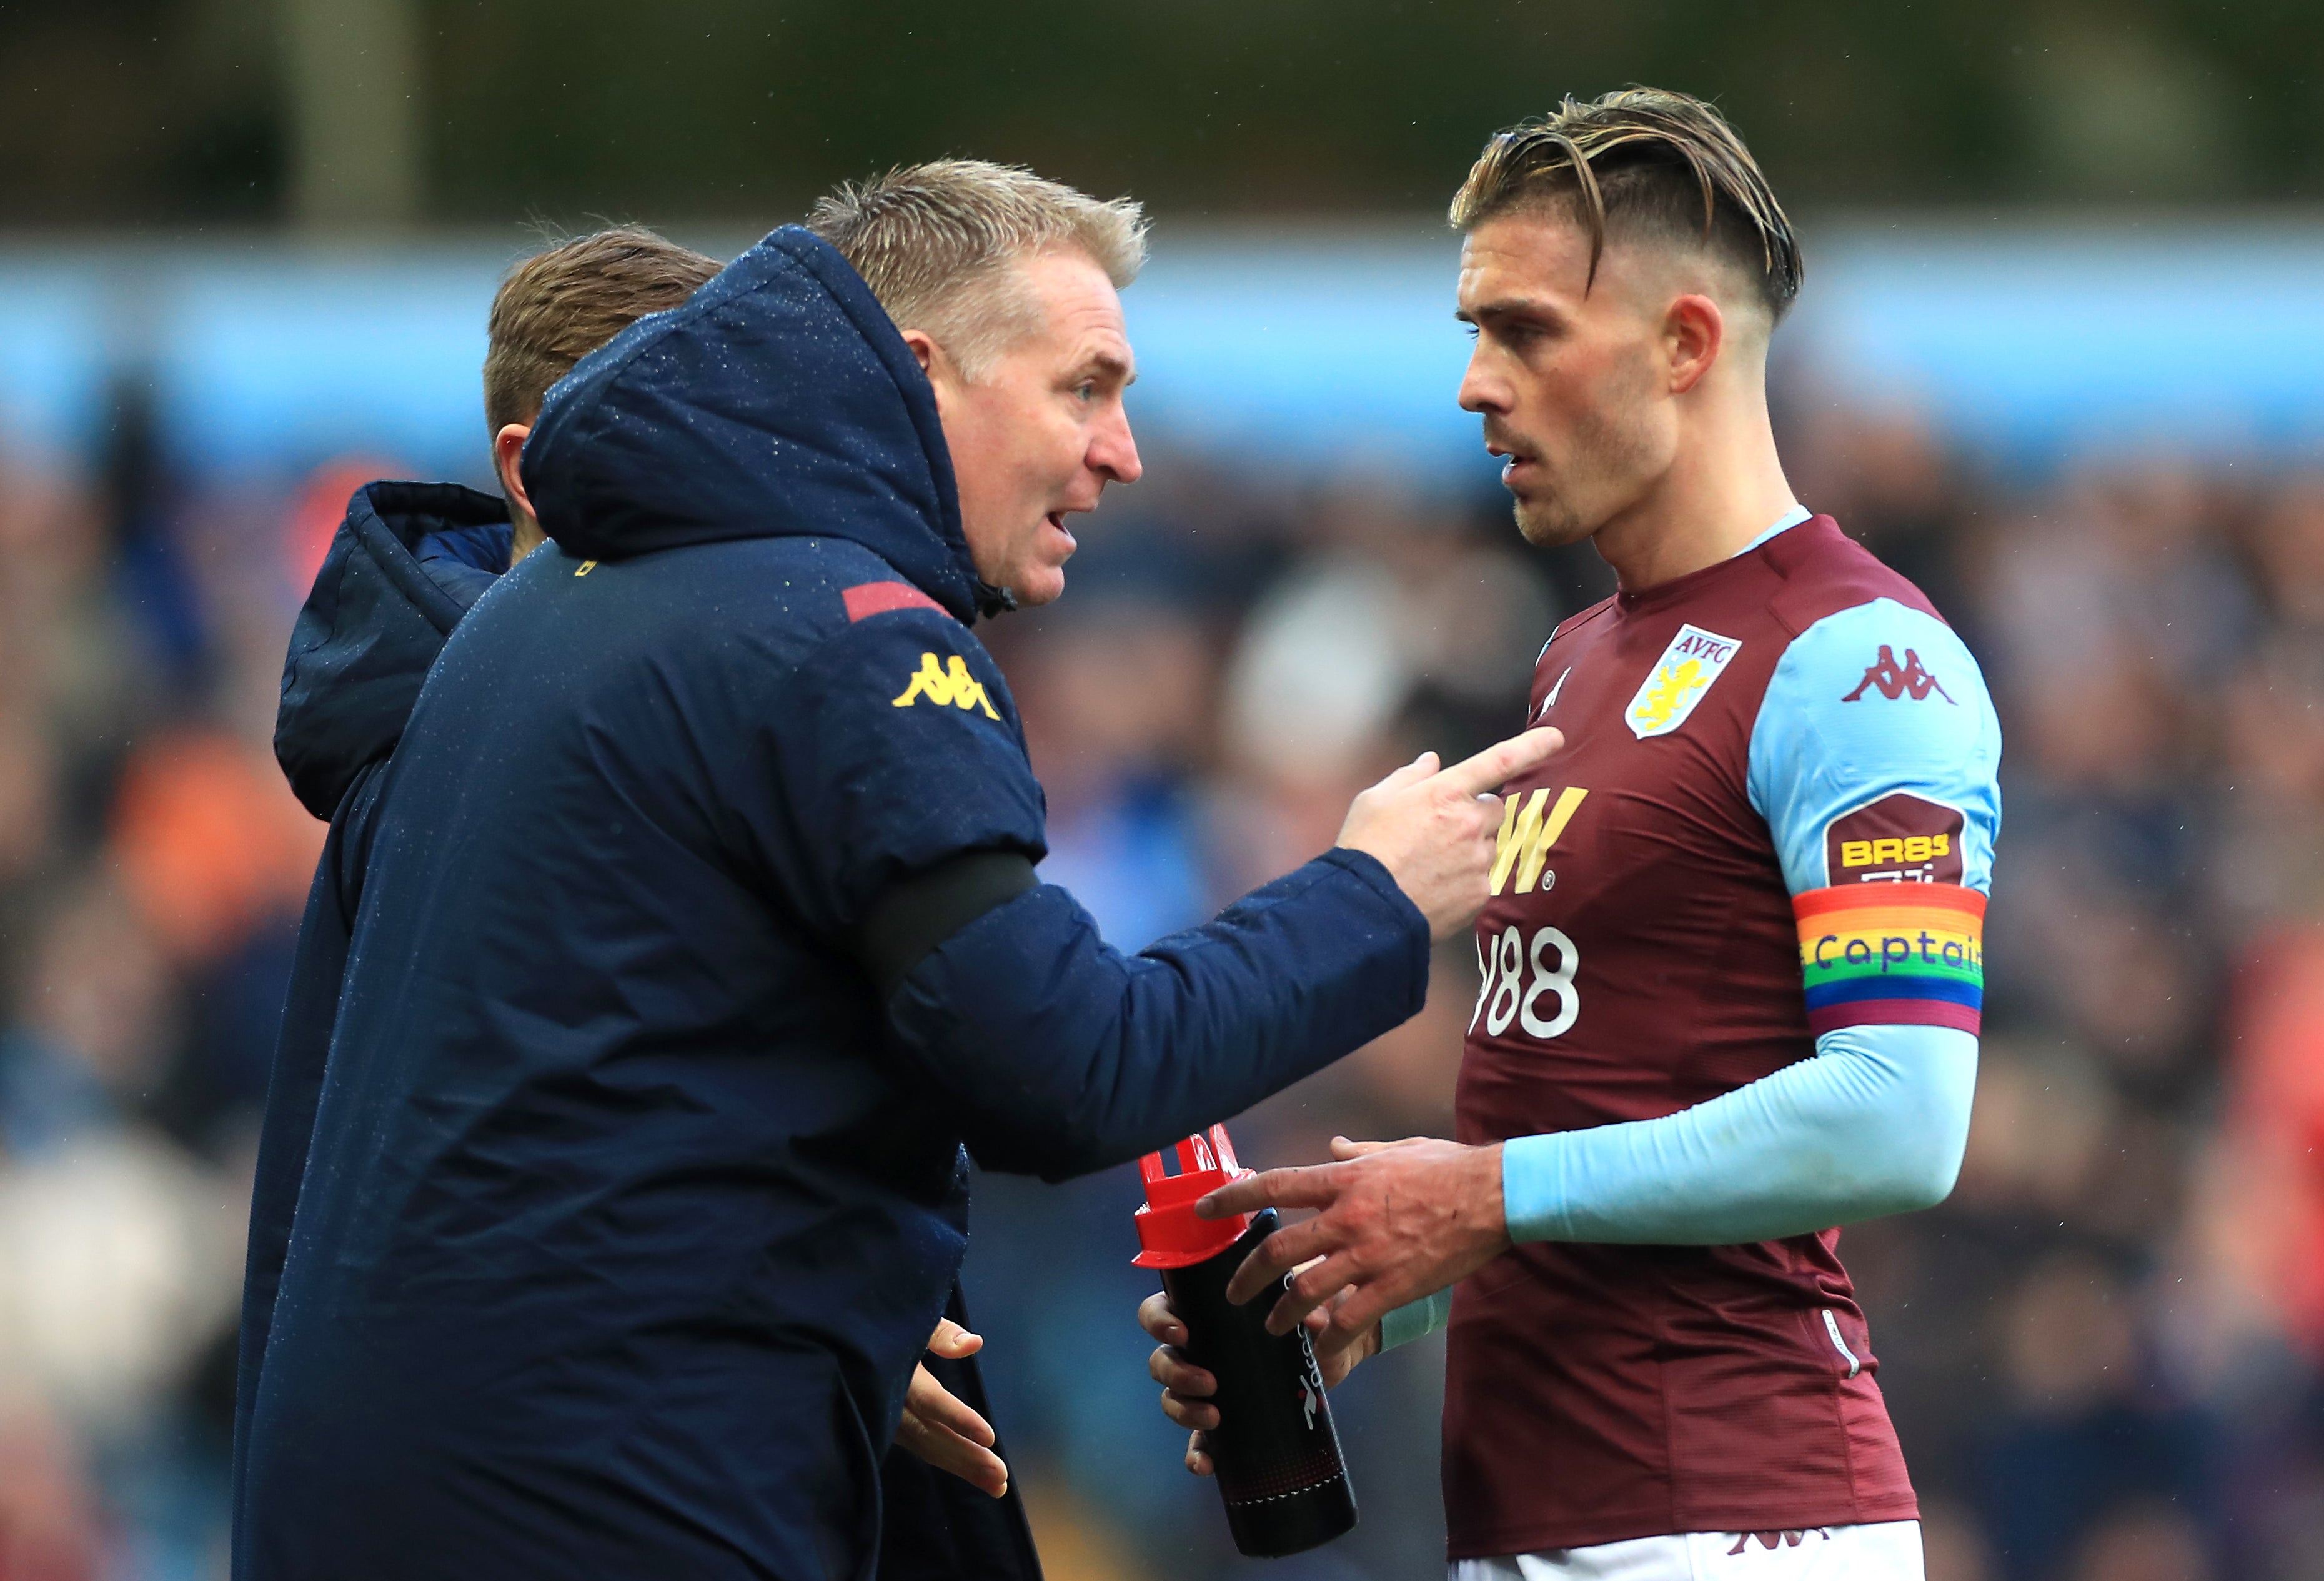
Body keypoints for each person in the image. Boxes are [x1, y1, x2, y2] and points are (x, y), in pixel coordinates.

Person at [237, 160, 1559, 1581]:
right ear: (922, 370)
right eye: (1084, 386)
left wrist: (830, 1306)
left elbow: (568, 1113)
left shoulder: (528, 624)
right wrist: (1369, 894)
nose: (1125, 451)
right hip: (611, 1494)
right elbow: (1064, 1067)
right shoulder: (846, 626)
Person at [1145, 89, 2002, 1580]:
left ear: (1686, 344)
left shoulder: (1863, 659)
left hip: (1739, 1509)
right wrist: (1364, 1273)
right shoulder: (1575, 658)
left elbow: (1900, 1115)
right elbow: (1606, 1129)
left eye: (1525, 331)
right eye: (1474, 330)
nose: (1476, 384)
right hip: (1547, 1512)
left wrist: (1475, 1191)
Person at [240, 226, 1037, 1580]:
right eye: (699, 431)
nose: (749, 481)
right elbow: (502, 1220)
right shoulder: (469, 777)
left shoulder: (666, 720)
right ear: (529, 469)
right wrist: (803, 1313)